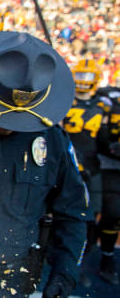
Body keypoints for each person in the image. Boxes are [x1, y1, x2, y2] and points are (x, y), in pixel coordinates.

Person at [0, 31, 91, 297]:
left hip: (14, 279)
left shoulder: (53, 141)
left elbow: (73, 212)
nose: (8, 126)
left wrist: (65, 272)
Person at [61, 58, 111, 285]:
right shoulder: (63, 102)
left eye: (87, 77)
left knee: (93, 217)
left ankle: (77, 263)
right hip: (69, 166)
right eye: (79, 76)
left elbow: (105, 140)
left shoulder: (104, 105)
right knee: (63, 216)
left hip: (92, 167)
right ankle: (62, 263)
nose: (82, 82)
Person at [94, 72, 120, 285]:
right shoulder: (106, 97)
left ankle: (107, 256)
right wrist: (110, 146)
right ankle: (104, 257)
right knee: (110, 211)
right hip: (107, 163)